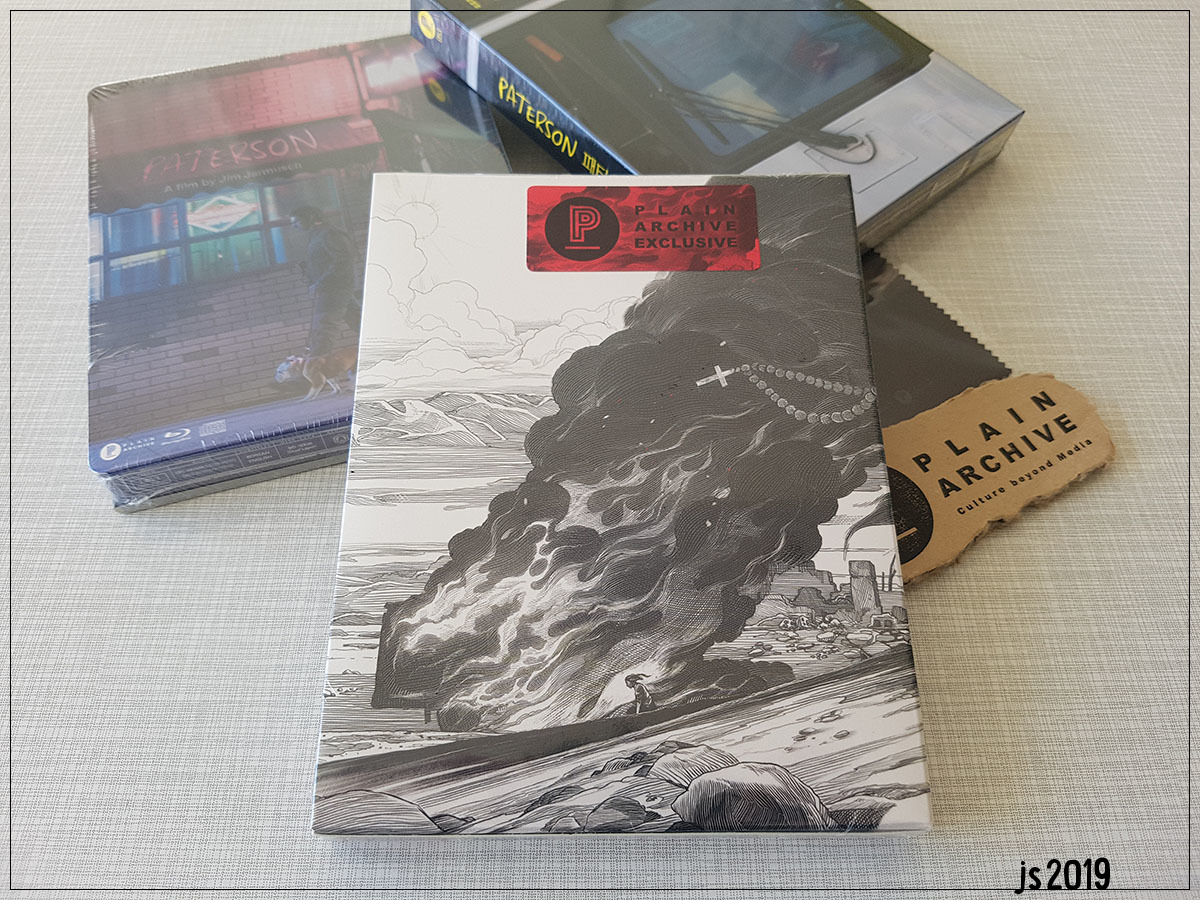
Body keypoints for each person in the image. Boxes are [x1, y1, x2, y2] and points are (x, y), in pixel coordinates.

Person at [291, 205, 360, 356]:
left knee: (323, 330)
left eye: (297, 221)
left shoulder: (330, 233)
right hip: (335, 289)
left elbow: (343, 260)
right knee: (360, 321)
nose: (294, 226)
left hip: (334, 290)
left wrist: (320, 283)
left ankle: (315, 368)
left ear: (310, 218)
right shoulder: (317, 235)